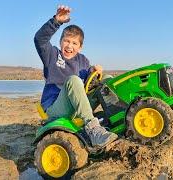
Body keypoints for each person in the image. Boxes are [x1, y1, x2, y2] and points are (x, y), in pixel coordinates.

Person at [34, 5, 117, 147]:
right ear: (61, 41)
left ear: (80, 47)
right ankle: (94, 130)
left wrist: (97, 72)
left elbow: (90, 82)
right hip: (56, 106)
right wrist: (56, 21)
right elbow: (39, 39)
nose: (69, 46)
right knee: (73, 80)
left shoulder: (83, 60)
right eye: (66, 41)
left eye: (74, 43)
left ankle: (117, 116)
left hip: (77, 106)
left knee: (106, 79)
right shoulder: (52, 55)